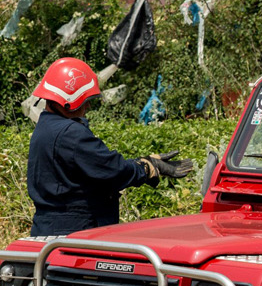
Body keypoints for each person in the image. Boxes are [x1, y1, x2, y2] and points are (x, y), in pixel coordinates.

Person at [27, 57, 194, 235]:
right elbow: (111, 170)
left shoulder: (45, 127)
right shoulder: (71, 133)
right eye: (85, 100)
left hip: (48, 228)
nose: (88, 105)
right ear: (71, 97)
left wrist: (140, 163)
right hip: (76, 231)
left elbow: (95, 166)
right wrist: (145, 168)